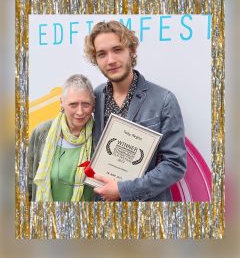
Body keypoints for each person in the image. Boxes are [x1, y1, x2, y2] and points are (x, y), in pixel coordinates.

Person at [84, 20, 187, 201]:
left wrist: (124, 190)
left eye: (117, 50)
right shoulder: (95, 96)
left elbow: (175, 165)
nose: (111, 60)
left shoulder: (164, 100)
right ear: (96, 60)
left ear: (131, 51)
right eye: (102, 54)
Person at [28, 74, 95, 201]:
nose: (80, 112)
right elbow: (29, 182)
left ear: (94, 104)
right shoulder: (42, 132)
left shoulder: (100, 136)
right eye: (73, 104)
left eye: (86, 104)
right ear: (61, 103)